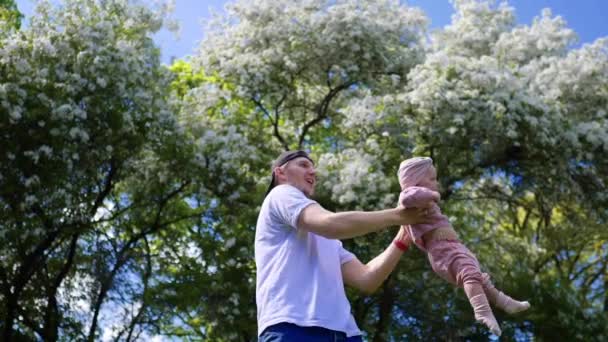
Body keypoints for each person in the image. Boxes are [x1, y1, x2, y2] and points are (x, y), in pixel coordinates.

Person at [255, 150, 430, 341]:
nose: (313, 172)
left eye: (313, 168)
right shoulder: (281, 194)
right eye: (304, 165)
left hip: (345, 334)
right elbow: (330, 224)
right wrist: (399, 215)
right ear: (280, 173)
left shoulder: (324, 238)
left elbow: (367, 279)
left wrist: (403, 235)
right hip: (293, 328)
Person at [397, 156, 531, 337]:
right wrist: (432, 194)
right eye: (431, 179)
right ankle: (482, 310)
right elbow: (407, 197)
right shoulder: (412, 196)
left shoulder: (424, 201)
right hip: (441, 251)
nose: (436, 183)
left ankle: (505, 302)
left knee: (479, 278)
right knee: (469, 274)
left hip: (452, 246)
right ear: (414, 180)